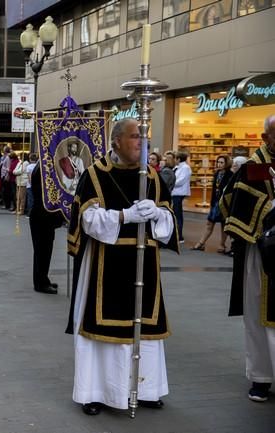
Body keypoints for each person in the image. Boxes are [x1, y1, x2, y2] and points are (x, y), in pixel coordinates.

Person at [66, 118, 178, 416]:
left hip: (144, 265)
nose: (142, 142)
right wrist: (124, 216)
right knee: (103, 329)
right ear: (115, 141)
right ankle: (95, 391)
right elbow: (86, 220)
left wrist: (157, 214)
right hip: (105, 263)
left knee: (145, 326)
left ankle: (147, 389)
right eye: (134, 136)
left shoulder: (152, 177)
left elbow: (168, 224)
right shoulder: (94, 174)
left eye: (144, 137)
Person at [222, 115, 275, 402]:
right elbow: (230, 201)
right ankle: (261, 377)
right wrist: (270, 207)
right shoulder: (253, 168)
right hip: (263, 252)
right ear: (266, 137)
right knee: (259, 317)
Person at [29, 163, 66, 294]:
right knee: (42, 251)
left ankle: (43, 279)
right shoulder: (43, 169)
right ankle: (40, 283)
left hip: (43, 215)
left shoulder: (42, 167)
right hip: (42, 215)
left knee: (45, 250)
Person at [191, 155, 232, 253]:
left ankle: (222, 245)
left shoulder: (230, 175)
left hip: (224, 203)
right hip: (215, 203)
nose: (219, 164)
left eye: (222, 162)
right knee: (209, 223)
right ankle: (201, 243)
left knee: (223, 224)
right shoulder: (216, 173)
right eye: (218, 162)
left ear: (227, 164)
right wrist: (212, 202)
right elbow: (214, 189)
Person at [171, 150, 191, 242]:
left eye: (175, 158)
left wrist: (170, 183)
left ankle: (179, 236)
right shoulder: (178, 167)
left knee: (177, 215)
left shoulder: (185, 168)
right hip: (175, 193)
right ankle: (175, 234)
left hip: (178, 193)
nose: (174, 160)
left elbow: (180, 181)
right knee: (175, 214)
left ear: (178, 159)